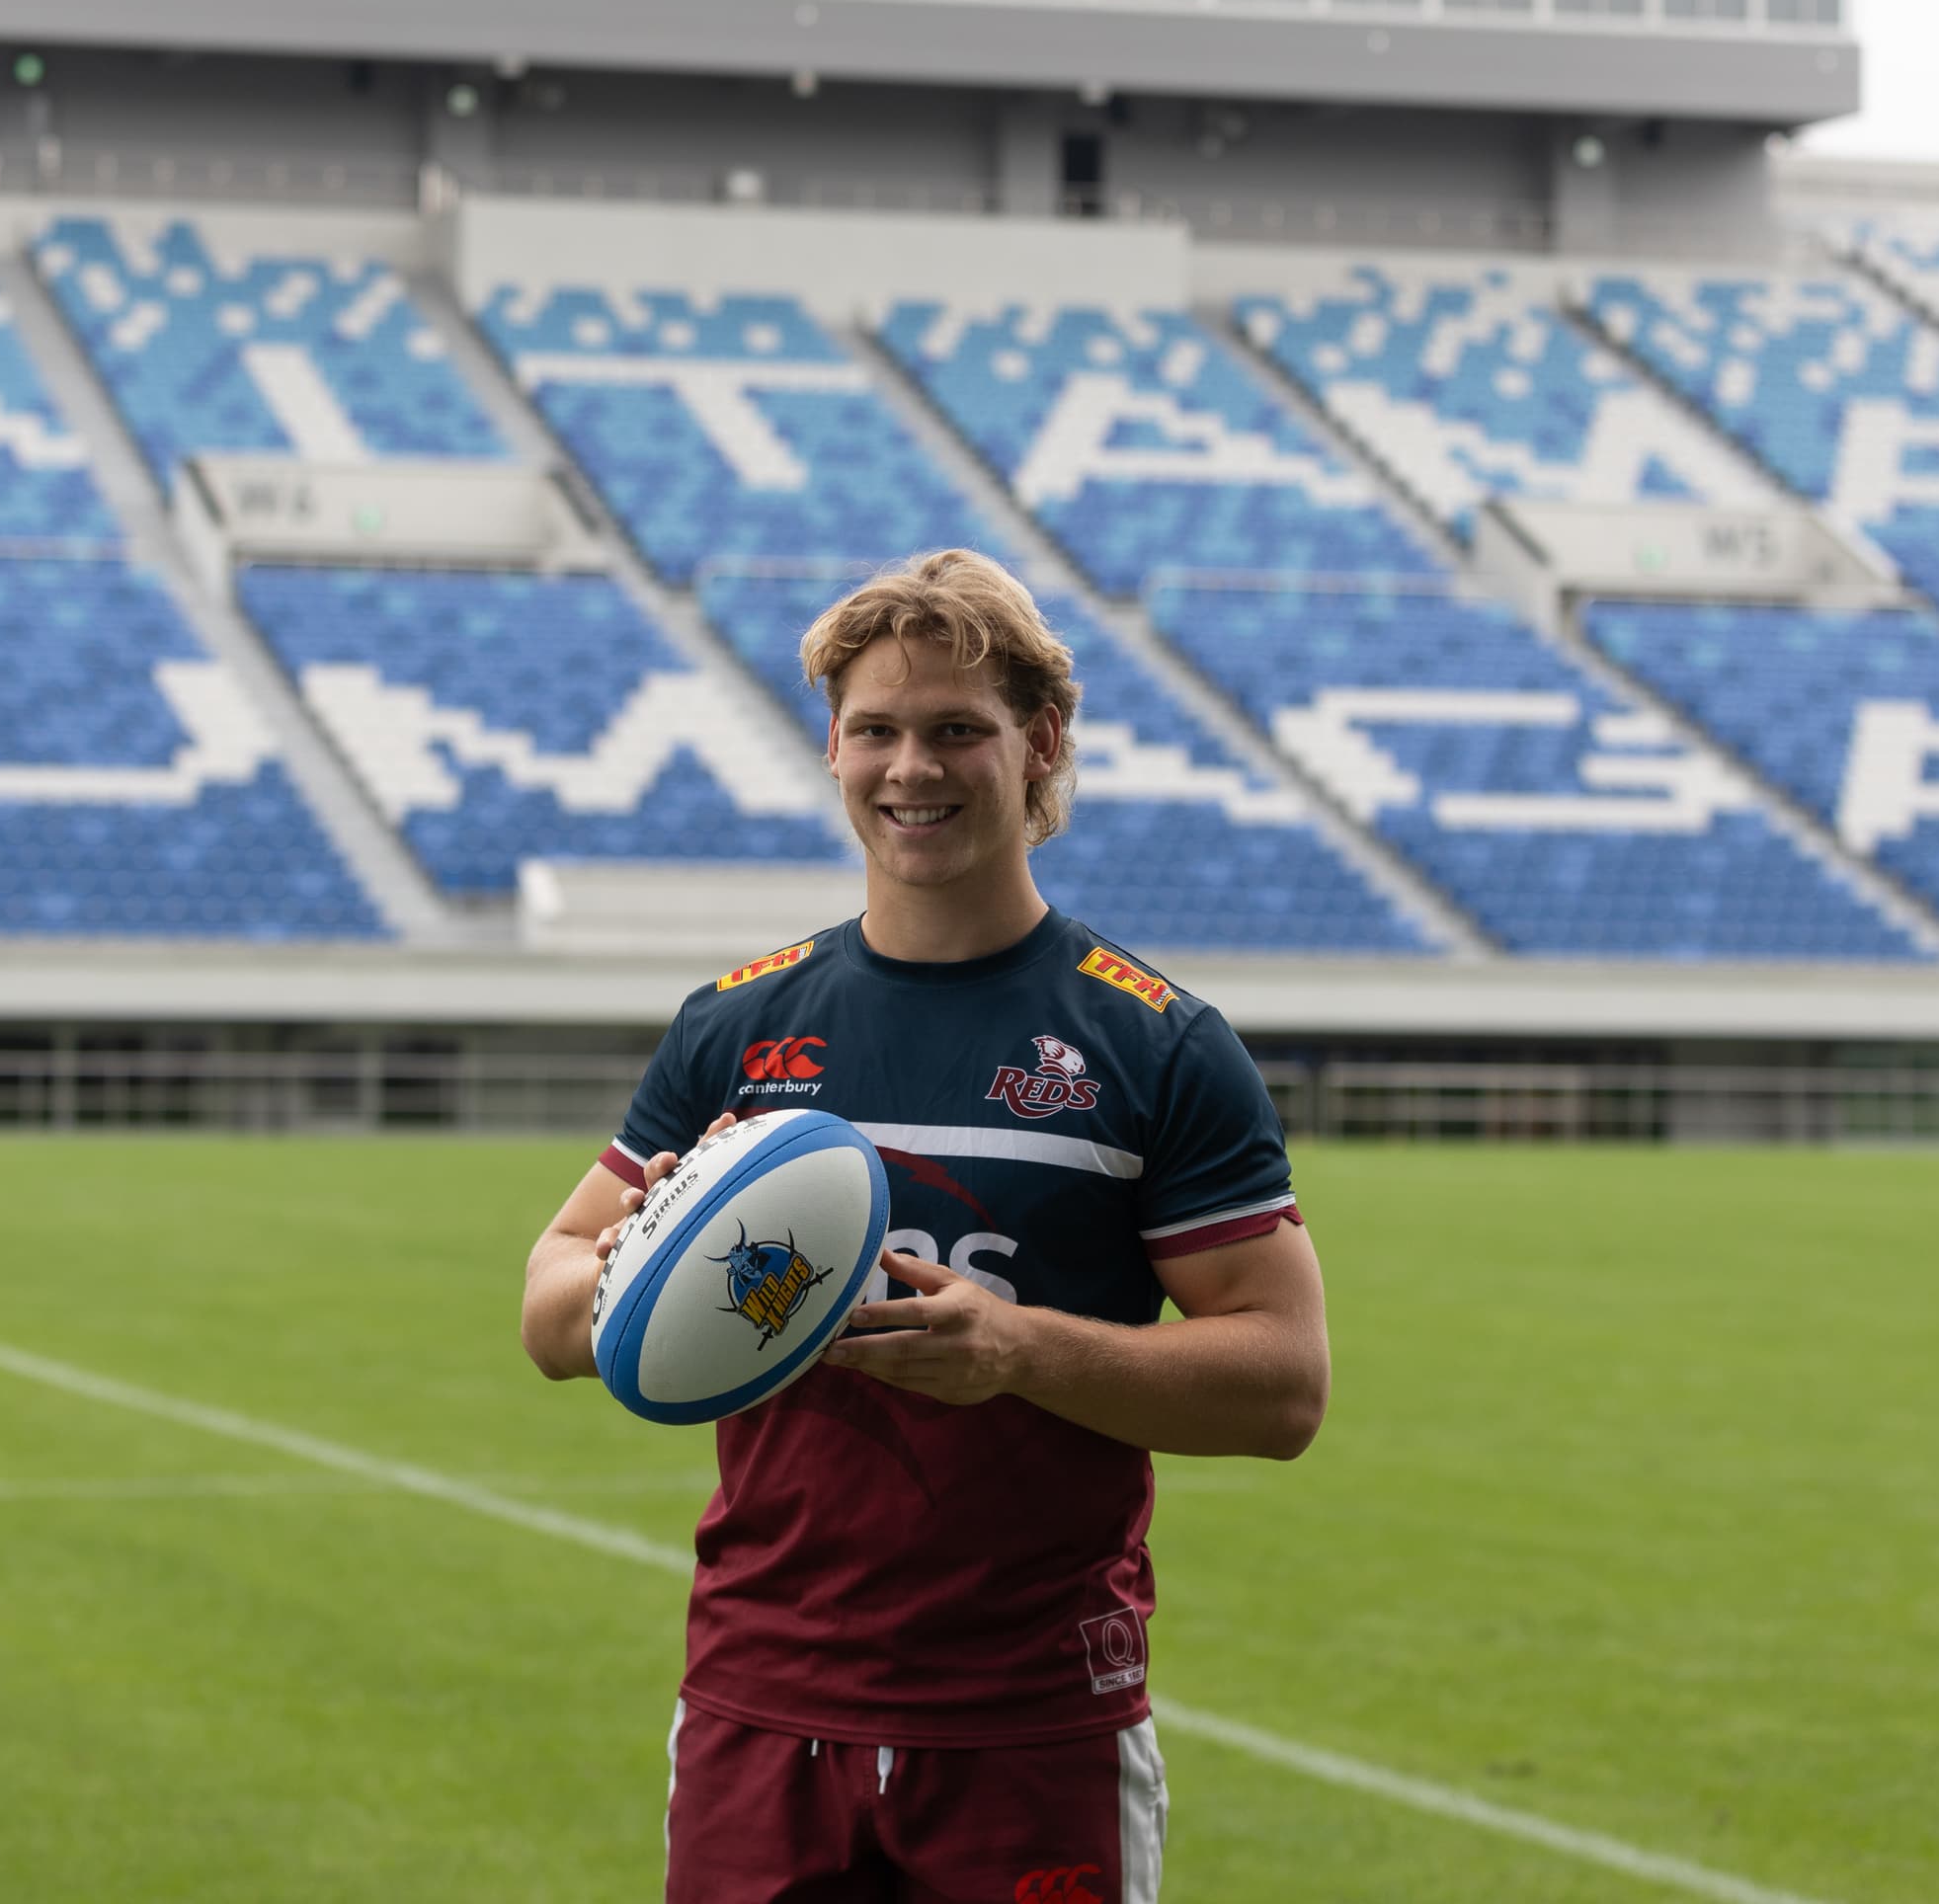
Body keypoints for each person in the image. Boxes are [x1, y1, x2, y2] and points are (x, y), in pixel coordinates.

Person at [519, 548, 1331, 1903]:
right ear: (832, 748)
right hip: (759, 1705)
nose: (915, 769)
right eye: (878, 731)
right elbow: (550, 1309)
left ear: (1041, 745)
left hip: (1031, 1724)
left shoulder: (1153, 1044)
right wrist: (652, 1249)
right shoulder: (743, 1028)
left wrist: (1017, 1350)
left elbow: (1285, 1386)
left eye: (960, 729)